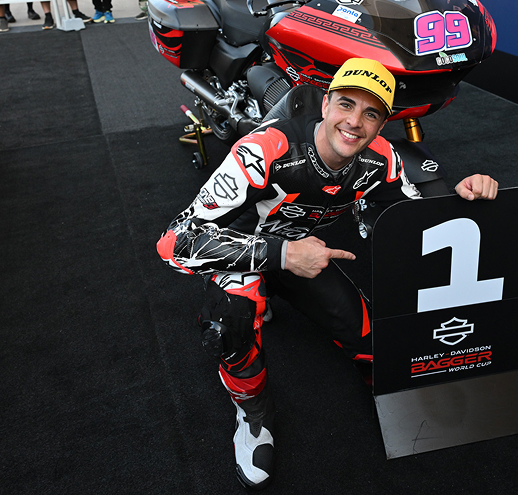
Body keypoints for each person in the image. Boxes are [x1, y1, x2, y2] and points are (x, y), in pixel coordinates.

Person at [156, 58, 498, 489]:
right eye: (346, 105)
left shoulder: (381, 159)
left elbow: (425, 216)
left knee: (371, 339)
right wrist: (279, 254)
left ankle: (391, 388)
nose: (354, 122)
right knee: (232, 323)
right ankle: (254, 416)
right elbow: (173, 241)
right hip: (243, 254)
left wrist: (462, 197)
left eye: (371, 113)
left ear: (382, 124)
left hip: (306, 256)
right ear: (325, 105)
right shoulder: (264, 149)